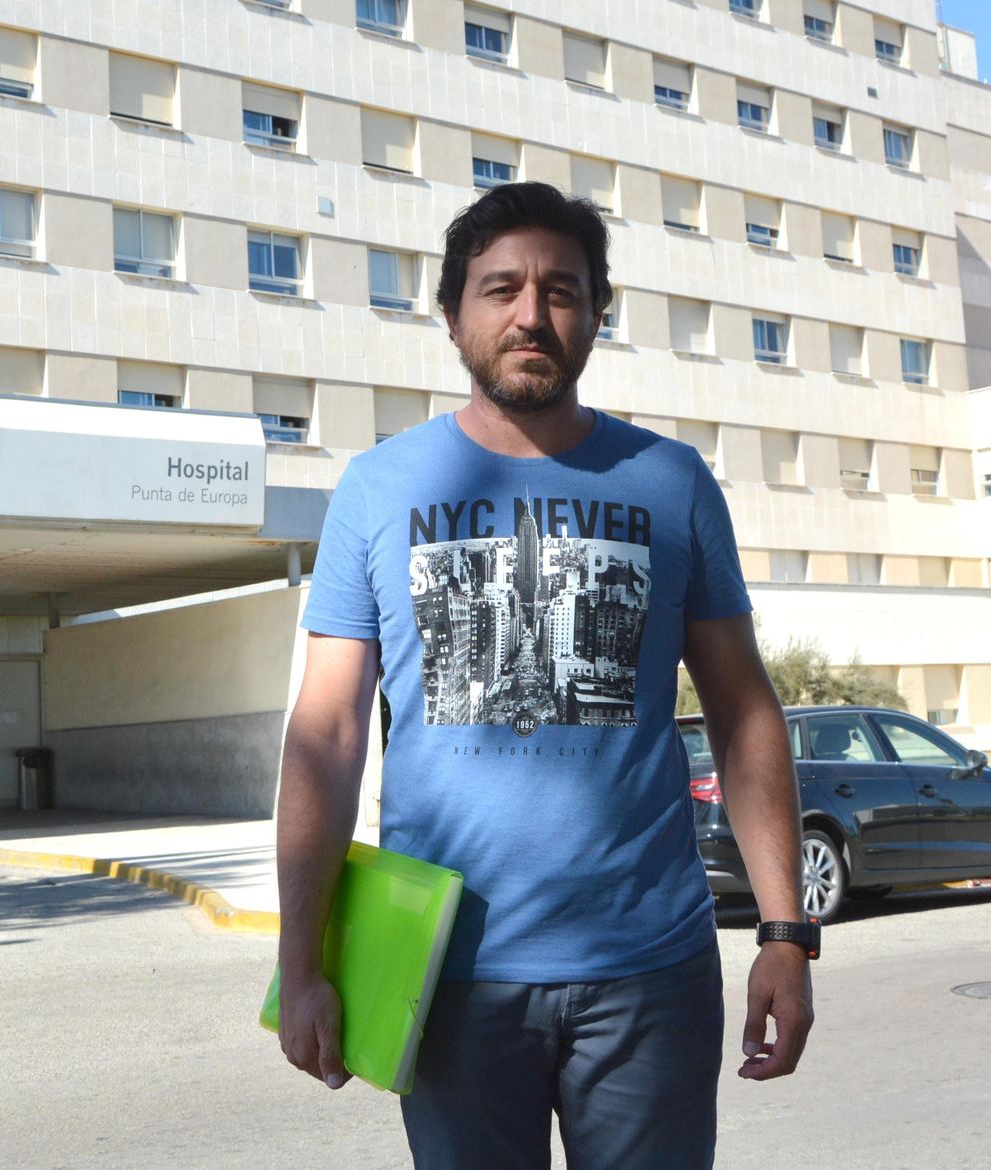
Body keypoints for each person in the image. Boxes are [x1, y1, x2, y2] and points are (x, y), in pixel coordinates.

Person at [275, 182, 813, 1169]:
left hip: (649, 972)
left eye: (561, 290)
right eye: (500, 288)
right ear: (452, 317)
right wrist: (299, 957)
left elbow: (743, 712)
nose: (531, 314)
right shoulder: (376, 488)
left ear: (596, 314)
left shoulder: (671, 481)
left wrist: (786, 931)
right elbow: (327, 734)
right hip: (443, 975)